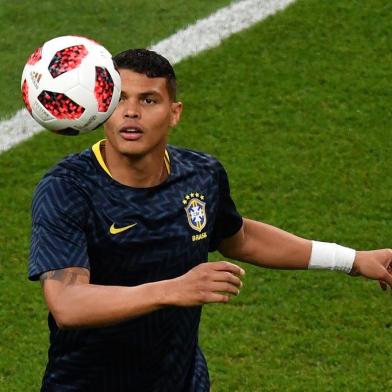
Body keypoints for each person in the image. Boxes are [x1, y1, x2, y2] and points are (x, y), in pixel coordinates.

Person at [28, 48, 392, 392]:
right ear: (103, 107)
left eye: (149, 100)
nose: (131, 112)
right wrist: (172, 290)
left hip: (182, 382)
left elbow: (242, 237)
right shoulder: (68, 188)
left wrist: (353, 260)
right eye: (120, 99)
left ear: (175, 112)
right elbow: (68, 303)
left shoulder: (200, 175)